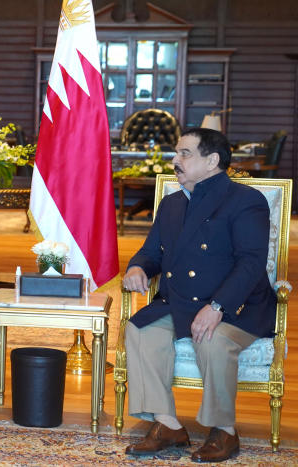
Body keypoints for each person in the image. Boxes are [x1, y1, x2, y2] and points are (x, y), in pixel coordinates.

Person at [122, 128, 276, 462]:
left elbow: (251, 264)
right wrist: (138, 267)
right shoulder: (172, 203)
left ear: (212, 161)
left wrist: (218, 306)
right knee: (140, 329)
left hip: (237, 305)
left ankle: (224, 431)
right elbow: (151, 252)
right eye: (176, 153)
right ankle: (167, 425)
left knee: (213, 339)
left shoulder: (246, 200)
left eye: (185, 153)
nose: (175, 160)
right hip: (181, 300)